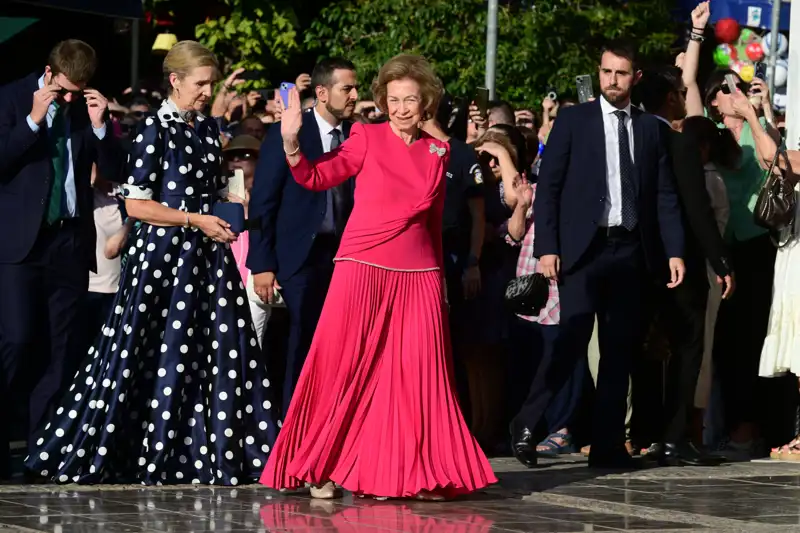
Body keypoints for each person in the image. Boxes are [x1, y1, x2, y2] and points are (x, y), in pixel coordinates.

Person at [24, 40, 277, 485]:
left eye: (211, 84)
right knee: (153, 353)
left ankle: (203, 450)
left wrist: (224, 203)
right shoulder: (152, 132)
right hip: (163, 260)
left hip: (204, 256)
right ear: (175, 81)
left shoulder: (204, 129)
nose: (206, 91)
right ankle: (142, 450)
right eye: (200, 84)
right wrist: (194, 217)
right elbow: (137, 206)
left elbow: (206, 189)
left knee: (209, 353)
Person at [259, 54, 496, 500]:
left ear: (426, 102)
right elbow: (317, 176)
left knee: (416, 379)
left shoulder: (437, 151)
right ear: (382, 101)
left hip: (420, 275)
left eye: (410, 100)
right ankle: (318, 465)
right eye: (393, 99)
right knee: (340, 368)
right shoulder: (363, 136)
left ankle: (416, 471)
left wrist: (441, 279)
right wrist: (292, 144)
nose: (402, 108)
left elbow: (433, 222)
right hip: (361, 268)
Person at [512, 42, 686, 469]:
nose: (612, 80)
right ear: (599, 72)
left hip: (630, 251)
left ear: (635, 78)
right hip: (581, 252)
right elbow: (547, 188)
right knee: (570, 341)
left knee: (618, 351)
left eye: (621, 74)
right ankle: (528, 424)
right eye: (606, 72)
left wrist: (674, 251)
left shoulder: (650, 129)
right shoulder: (573, 120)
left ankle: (608, 445)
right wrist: (548, 247)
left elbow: (664, 195)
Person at [0, 39, 121, 479]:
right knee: (15, 339)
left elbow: (115, 170)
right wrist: (33, 121)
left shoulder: (86, 110)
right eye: (65, 91)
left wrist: (102, 127)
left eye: (80, 91)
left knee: (60, 351)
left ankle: (40, 454)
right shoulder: (11, 99)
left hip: (69, 243)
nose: (71, 99)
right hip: (19, 245)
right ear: (48, 74)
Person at [634, 67, 733, 466]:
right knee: (687, 346)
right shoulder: (679, 143)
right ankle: (674, 436)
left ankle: (642, 433)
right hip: (683, 264)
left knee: (641, 349)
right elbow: (696, 208)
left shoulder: (631, 137)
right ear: (671, 99)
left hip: (635, 260)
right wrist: (720, 260)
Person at [248, 58, 357, 415]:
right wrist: (262, 263)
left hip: (342, 257)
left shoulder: (356, 137)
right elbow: (263, 200)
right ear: (322, 93)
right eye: (347, 88)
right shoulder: (290, 131)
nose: (355, 95)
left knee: (337, 344)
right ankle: (292, 423)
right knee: (301, 340)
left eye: (356, 88)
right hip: (298, 257)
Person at [224, 134, 273, 347]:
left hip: (255, 281)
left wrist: (247, 208)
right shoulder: (217, 194)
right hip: (224, 279)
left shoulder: (269, 194)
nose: (236, 160)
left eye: (244, 155)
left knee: (252, 344)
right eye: (231, 156)